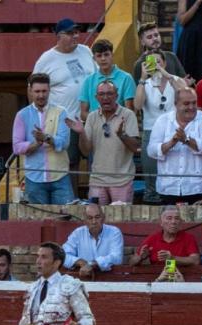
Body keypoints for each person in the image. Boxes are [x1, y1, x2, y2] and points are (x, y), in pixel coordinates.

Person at [32, 19, 96, 195]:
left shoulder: (86, 51)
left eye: (77, 32)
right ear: (59, 36)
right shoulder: (46, 59)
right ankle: (70, 200)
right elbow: (34, 88)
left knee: (96, 161)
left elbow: (97, 78)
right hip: (65, 122)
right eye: (70, 33)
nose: (76, 36)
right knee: (70, 163)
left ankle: (95, 201)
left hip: (90, 118)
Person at [66, 81, 141, 205]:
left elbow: (135, 148)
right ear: (96, 98)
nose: (106, 97)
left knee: (121, 220)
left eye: (110, 93)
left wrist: (122, 135)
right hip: (97, 180)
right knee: (95, 218)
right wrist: (81, 133)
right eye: (101, 94)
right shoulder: (92, 117)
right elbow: (85, 151)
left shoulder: (128, 115)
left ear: (117, 96)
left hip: (121, 180)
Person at [136, 52, 190, 205]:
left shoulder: (175, 80)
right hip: (150, 130)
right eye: (151, 62)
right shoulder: (145, 84)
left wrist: (165, 74)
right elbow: (137, 105)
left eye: (158, 61)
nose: (155, 65)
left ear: (165, 63)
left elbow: (185, 93)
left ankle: (173, 199)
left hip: (173, 130)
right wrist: (142, 78)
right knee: (151, 171)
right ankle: (152, 200)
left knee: (173, 168)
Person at [148, 89, 202, 204]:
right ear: (175, 104)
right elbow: (151, 151)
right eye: (186, 103)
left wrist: (186, 140)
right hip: (168, 188)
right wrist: (171, 143)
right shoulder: (162, 120)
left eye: (194, 103)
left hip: (198, 188)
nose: (191, 107)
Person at [12, 73, 73, 205]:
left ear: (49, 90)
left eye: (44, 91)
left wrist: (46, 138)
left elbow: (64, 143)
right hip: (34, 177)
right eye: (37, 91)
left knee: (66, 218)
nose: (41, 95)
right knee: (37, 221)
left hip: (60, 176)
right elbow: (17, 147)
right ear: (30, 92)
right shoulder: (22, 115)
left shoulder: (61, 112)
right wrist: (36, 144)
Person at [79, 40, 136, 123]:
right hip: (95, 128)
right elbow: (83, 113)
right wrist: (100, 121)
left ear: (112, 55)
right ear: (94, 58)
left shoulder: (126, 78)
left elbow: (129, 110)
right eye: (99, 56)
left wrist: (111, 122)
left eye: (106, 54)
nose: (103, 59)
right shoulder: (88, 81)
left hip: (119, 127)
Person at [63, 204, 124, 277]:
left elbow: (117, 258)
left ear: (103, 218)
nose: (94, 221)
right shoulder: (78, 233)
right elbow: (63, 255)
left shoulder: (114, 232)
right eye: (90, 218)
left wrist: (92, 264)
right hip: (83, 279)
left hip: (110, 279)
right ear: (85, 221)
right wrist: (81, 262)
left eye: (97, 217)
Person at [129, 205, 202, 266]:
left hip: (182, 278)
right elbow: (131, 263)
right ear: (161, 222)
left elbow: (195, 261)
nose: (173, 222)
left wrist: (172, 258)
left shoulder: (188, 238)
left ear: (180, 222)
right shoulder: (153, 238)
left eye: (177, 218)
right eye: (169, 218)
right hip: (157, 278)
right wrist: (140, 257)